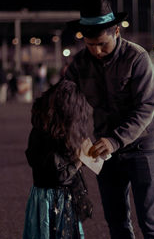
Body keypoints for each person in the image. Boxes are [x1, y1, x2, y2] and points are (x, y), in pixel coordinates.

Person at [64, 0, 154, 239]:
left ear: (117, 32)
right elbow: (66, 104)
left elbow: (145, 108)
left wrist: (114, 140)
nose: (96, 51)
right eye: (90, 45)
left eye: (102, 44)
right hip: (102, 151)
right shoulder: (78, 64)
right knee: (117, 221)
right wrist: (75, 137)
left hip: (142, 146)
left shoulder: (137, 58)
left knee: (150, 220)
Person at [23, 79, 93, 239]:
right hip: (58, 199)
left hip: (39, 195)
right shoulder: (58, 135)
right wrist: (80, 160)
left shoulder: (40, 127)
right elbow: (60, 176)